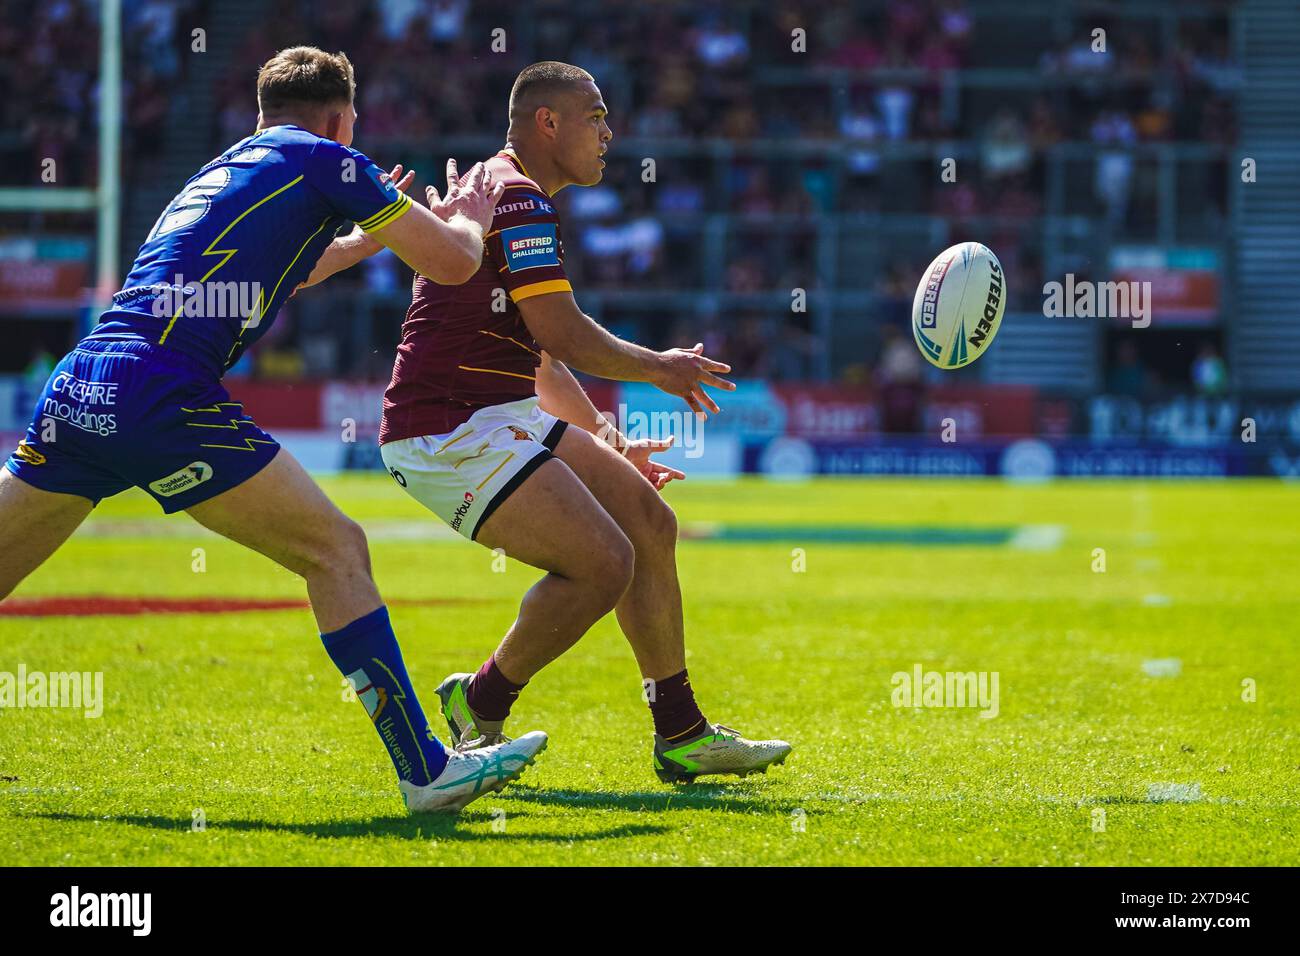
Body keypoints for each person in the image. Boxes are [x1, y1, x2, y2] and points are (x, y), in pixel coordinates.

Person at [0, 46, 547, 814]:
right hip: (163, 390)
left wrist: (362, 240)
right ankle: (426, 770)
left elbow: (286, 265)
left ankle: (428, 767)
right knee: (336, 551)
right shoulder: (327, 157)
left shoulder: (230, 166)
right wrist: (472, 208)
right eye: (350, 129)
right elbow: (455, 265)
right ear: (340, 118)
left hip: (84, 380)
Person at [380, 62, 791, 784]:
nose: (610, 133)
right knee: (604, 564)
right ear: (549, 123)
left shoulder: (504, 189)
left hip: (493, 412)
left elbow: (536, 357)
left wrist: (613, 443)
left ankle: (682, 732)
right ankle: (480, 701)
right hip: (446, 430)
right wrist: (662, 368)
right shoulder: (517, 201)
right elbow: (564, 335)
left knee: (647, 519)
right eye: (596, 116)